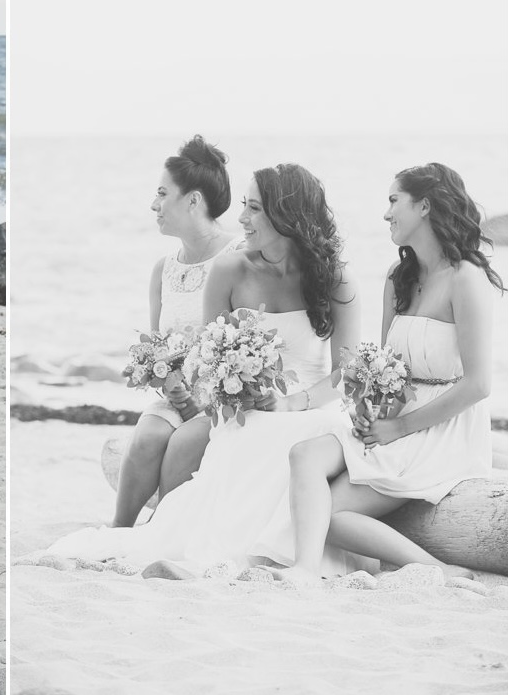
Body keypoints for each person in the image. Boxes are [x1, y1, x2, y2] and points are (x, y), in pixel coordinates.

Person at [46, 163, 361, 575]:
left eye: (254, 208)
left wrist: (292, 403)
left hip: (315, 405)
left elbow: (346, 373)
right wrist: (241, 389)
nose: (241, 218)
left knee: (301, 435)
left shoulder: (334, 278)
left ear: (287, 215)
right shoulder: (229, 270)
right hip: (249, 409)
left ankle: (277, 555)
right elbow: (209, 362)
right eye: (244, 205)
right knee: (244, 434)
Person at [269, 163, 503, 585]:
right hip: (397, 419)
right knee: (304, 454)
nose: (386, 213)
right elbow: (387, 372)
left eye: (394, 201)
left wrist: (399, 427)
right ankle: (305, 568)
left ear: (425, 206)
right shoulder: (399, 279)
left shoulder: (466, 279)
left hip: (444, 428)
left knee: (333, 515)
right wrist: (370, 409)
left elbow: (479, 385)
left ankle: (441, 571)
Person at [110, 135, 240, 527]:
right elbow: (156, 347)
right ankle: (119, 530)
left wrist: (202, 397)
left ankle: (162, 529)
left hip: (224, 401)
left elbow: (243, 345)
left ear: (193, 200)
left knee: (183, 443)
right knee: (147, 436)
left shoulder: (236, 259)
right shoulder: (163, 269)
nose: (154, 205)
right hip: (177, 395)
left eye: (162, 193)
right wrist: (168, 383)